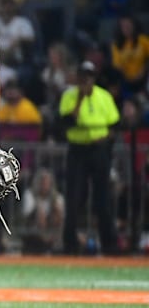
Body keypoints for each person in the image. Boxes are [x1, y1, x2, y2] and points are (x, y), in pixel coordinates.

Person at [59, 60, 120, 255]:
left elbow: (115, 124)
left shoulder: (104, 96)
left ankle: (109, 244)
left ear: (94, 78)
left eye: (89, 76)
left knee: (103, 198)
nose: (86, 80)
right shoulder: (69, 96)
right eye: (83, 77)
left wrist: (106, 138)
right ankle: (70, 245)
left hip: (99, 150)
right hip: (78, 150)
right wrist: (80, 99)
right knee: (74, 197)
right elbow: (67, 121)